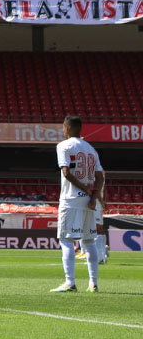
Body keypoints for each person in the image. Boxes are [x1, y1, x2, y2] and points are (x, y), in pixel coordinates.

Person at [51, 116, 104, 293]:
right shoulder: (91, 149)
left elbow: (66, 173)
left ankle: (70, 282)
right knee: (89, 241)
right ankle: (93, 283)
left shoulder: (63, 146)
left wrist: (85, 189)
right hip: (88, 202)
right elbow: (100, 177)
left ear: (66, 128)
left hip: (71, 199)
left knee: (66, 239)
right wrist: (93, 196)